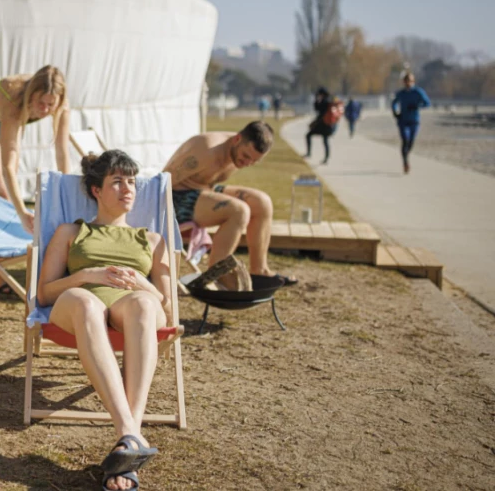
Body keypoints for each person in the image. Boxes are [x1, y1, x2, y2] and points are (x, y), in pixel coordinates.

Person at [37, 150, 170, 491]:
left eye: (131, 182)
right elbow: (45, 294)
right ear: (96, 190)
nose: (127, 189)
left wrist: (142, 283)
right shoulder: (71, 232)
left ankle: (128, 437)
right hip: (78, 306)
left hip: (133, 307)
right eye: (117, 182)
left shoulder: (152, 241)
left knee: (142, 303)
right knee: (86, 302)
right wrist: (86, 275)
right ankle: (131, 436)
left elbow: (166, 307)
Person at [164, 121, 298, 288]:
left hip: (205, 189)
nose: (247, 163)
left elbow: (210, 184)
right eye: (246, 156)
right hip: (174, 198)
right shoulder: (206, 150)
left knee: (262, 202)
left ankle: (259, 271)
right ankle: (216, 273)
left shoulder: (239, 148)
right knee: (239, 211)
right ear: (237, 139)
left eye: (254, 161)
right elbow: (163, 183)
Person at [0, 65, 71, 234]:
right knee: (1, 193)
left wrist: (67, 193)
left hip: (6, 124)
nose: (44, 110)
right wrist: (22, 213)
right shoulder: (13, 100)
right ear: (31, 96)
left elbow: (62, 152)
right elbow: (8, 166)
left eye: (50, 104)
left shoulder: (62, 105)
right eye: (40, 102)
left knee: (7, 195)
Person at [391, 72, 431, 174]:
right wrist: (395, 112)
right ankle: (405, 162)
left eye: (410, 81)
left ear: (413, 81)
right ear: (404, 82)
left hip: (414, 121)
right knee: (405, 140)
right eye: (406, 81)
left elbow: (427, 103)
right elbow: (394, 103)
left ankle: (406, 155)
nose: (408, 83)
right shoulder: (401, 93)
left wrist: (417, 106)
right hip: (403, 121)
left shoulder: (418, 92)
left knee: (411, 142)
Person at [304, 87, 342, 164]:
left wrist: (316, 100)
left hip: (323, 125)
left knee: (309, 136)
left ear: (321, 94)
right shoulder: (328, 101)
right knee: (325, 141)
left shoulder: (325, 102)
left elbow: (318, 110)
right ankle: (326, 158)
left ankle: (310, 153)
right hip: (328, 126)